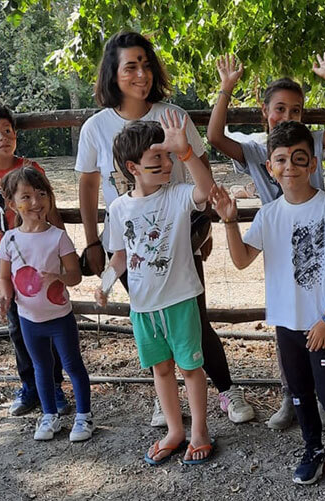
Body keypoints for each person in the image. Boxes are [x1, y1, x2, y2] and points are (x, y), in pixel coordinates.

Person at [75, 31, 253, 425]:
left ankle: (225, 390)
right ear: (113, 73)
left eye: (146, 64)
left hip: (182, 236)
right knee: (153, 317)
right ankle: (167, 400)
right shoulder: (95, 129)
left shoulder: (174, 116)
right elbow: (88, 186)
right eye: (130, 66)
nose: (141, 74)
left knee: (193, 317)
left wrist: (204, 229)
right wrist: (92, 242)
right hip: (130, 241)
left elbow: (201, 176)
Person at [207, 52, 325, 430]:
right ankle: (291, 398)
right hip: (277, 236)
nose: (287, 117)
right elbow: (214, 137)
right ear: (264, 110)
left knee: (320, 314)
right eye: (280, 109)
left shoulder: (311, 142)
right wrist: (226, 89)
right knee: (287, 326)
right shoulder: (258, 150)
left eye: (295, 111)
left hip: (316, 238)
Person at [211, 121, 325, 489]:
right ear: (269, 167)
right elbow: (241, 259)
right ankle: (314, 451)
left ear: (312, 164)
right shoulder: (268, 215)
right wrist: (230, 222)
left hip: (324, 323)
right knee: (299, 391)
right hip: (287, 322)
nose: (290, 167)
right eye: (281, 160)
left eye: (299, 159)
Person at [96, 112, 215, 465]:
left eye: (167, 156)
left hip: (179, 301)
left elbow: (205, 190)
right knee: (161, 369)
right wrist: (104, 285)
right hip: (143, 308)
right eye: (157, 159)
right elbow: (119, 257)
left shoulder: (177, 195)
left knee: (190, 369)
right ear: (133, 167)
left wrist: (187, 154)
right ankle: (175, 430)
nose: (167, 164)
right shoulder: (119, 209)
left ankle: (200, 431)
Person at [0, 101, 68, 417]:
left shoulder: (31, 169)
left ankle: (54, 387)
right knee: (18, 325)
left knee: (47, 317)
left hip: (40, 254)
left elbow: (50, 207)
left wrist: (64, 250)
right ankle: (29, 387)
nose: (3, 138)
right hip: (6, 259)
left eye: (8, 131)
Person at [0, 166, 94, 442]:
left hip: (60, 317)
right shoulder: (10, 239)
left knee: (73, 365)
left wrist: (58, 278)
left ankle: (84, 417)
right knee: (40, 367)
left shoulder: (58, 237)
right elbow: (5, 276)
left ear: (50, 199)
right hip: (28, 319)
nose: (36, 203)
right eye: (26, 197)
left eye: (41, 195)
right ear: (12, 203)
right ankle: (49, 415)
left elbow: (74, 276)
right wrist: (5, 296)